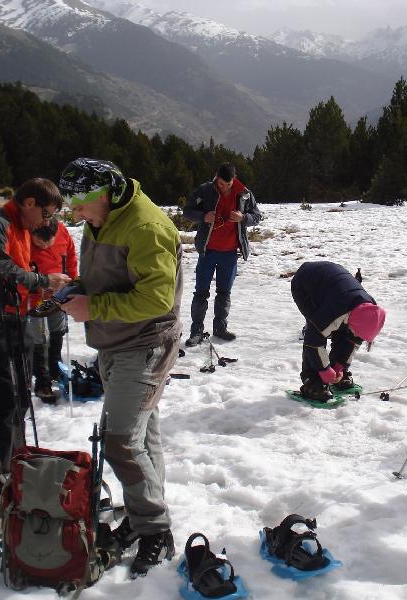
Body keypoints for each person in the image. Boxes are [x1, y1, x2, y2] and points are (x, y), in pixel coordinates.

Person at [58, 157, 182, 578]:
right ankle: (146, 516)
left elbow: (157, 299)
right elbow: (114, 278)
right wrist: (77, 291)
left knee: (120, 442)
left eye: (80, 205)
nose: (74, 215)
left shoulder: (145, 227)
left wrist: (92, 306)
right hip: (115, 341)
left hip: (145, 345)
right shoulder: (101, 220)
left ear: (106, 193)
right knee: (143, 435)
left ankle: (154, 528)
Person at [0, 179, 70, 467]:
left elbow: (20, 272)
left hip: (17, 316)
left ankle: (16, 459)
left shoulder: (23, 228)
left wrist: (41, 286)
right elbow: (1, 268)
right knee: (3, 398)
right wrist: (43, 280)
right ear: (30, 203)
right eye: (47, 213)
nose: (47, 221)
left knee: (22, 395)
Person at [182, 162, 262, 346]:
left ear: (234, 179)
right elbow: (187, 211)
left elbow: (257, 216)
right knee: (201, 292)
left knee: (224, 293)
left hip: (230, 253)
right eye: (221, 184)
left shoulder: (244, 193)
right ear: (215, 177)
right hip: (207, 251)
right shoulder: (205, 190)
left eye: (228, 184)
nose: (224, 188)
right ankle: (196, 331)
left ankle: (220, 329)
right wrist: (203, 217)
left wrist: (244, 218)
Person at [291, 261, 386, 401]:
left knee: (345, 331)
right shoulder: (335, 311)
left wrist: (339, 366)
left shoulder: (369, 310)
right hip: (306, 284)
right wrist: (323, 369)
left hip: (334, 287)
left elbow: (354, 339)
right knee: (316, 329)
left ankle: (334, 372)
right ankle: (312, 381)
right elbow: (313, 341)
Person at [25, 218, 78, 402]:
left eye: (50, 241)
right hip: (34, 297)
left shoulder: (63, 231)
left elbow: (70, 259)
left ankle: (55, 367)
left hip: (58, 294)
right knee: (38, 336)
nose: (46, 245)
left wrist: (72, 283)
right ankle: (41, 379)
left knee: (58, 329)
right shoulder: (24, 237)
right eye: (40, 241)